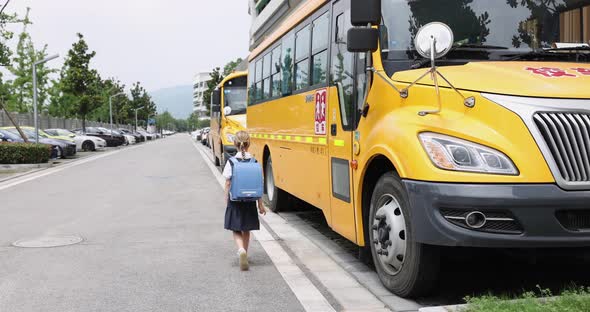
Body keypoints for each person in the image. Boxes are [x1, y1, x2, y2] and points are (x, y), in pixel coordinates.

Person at [222, 131, 266, 271]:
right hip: (250, 200)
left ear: (235, 144)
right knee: (246, 229)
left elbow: (228, 182)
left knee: (236, 229)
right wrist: (260, 204)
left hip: (235, 200)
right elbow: (258, 183)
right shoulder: (254, 161)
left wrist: (226, 198)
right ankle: (245, 253)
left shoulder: (231, 162)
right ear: (249, 144)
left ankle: (240, 250)